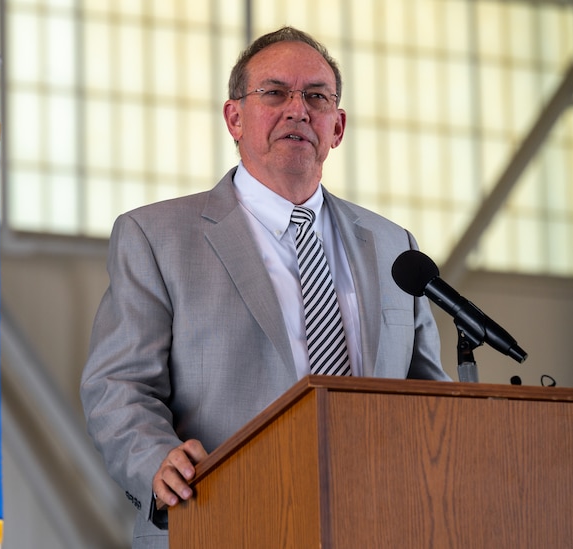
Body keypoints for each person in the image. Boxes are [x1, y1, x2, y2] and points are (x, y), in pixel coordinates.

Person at [80, 26, 452, 548]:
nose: (298, 110)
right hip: (221, 521)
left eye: (317, 97)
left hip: (375, 525)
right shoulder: (156, 237)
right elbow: (117, 385)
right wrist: (154, 460)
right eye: (275, 93)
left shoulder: (395, 246)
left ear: (337, 126)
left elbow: (427, 396)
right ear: (234, 118)